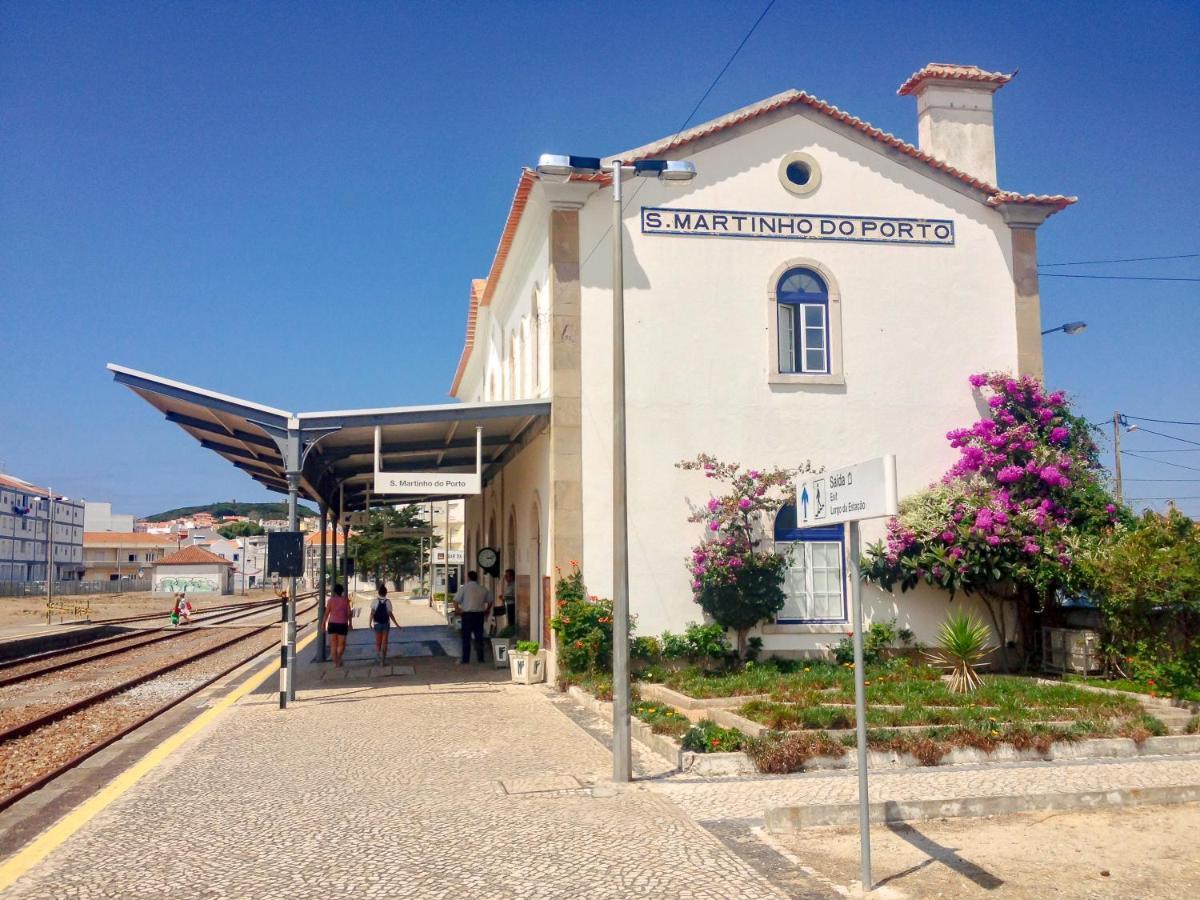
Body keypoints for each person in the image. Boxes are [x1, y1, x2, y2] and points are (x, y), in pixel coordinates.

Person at [452, 570, 491, 664]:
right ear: (476, 577)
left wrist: (458, 610)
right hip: (479, 615)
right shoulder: (482, 588)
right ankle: (480, 658)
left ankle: (466, 659)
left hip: (467, 615)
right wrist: (487, 610)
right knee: (479, 637)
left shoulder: (464, 588)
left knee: (466, 638)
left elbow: (455, 600)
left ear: (468, 577)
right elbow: (490, 600)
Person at [370, 583, 400, 664]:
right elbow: (390, 614)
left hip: (377, 623)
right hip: (386, 623)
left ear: (379, 592)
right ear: (386, 593)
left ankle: (378, 656)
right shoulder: (388, 602)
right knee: (384, 641)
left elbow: (372, 613)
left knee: (378, 641)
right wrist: (397, 624)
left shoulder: (375, 601)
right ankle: (383, 659)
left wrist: (369, 623)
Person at [323, 582, 352, 667]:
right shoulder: (345, 600)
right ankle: (339, 658)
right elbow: (349, 613)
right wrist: (350, 623)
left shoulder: (330, 601)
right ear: (342, 591)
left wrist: (323, 623)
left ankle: (335, 663)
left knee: (333, 645)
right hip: (342, 624)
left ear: (335, 592)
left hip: (332, 624)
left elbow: (326, 613)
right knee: (341, 644)